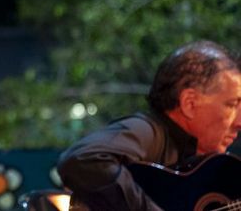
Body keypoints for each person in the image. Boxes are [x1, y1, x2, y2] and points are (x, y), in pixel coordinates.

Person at [57, 40, 241, 210]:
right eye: (232, 104)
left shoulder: (208, 170)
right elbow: (83, 159)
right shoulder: (147, 131)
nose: (239, 122)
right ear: (189, 103)